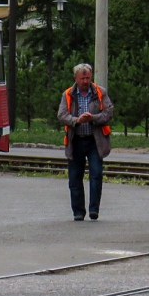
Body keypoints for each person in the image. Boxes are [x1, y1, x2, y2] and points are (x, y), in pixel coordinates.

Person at [56, 63, 113, 222]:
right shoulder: (67, 94)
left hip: (95, 141)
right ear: (75, 78)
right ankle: (78, 212)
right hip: (76, 141)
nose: (86, 81)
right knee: (75, 178)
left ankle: (94, 210)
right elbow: (61, 115)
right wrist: (76, 120)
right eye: (82, 78)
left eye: (88, 78)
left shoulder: (100, 93)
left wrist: (93, 118)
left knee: (96, 175)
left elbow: (109, 112)